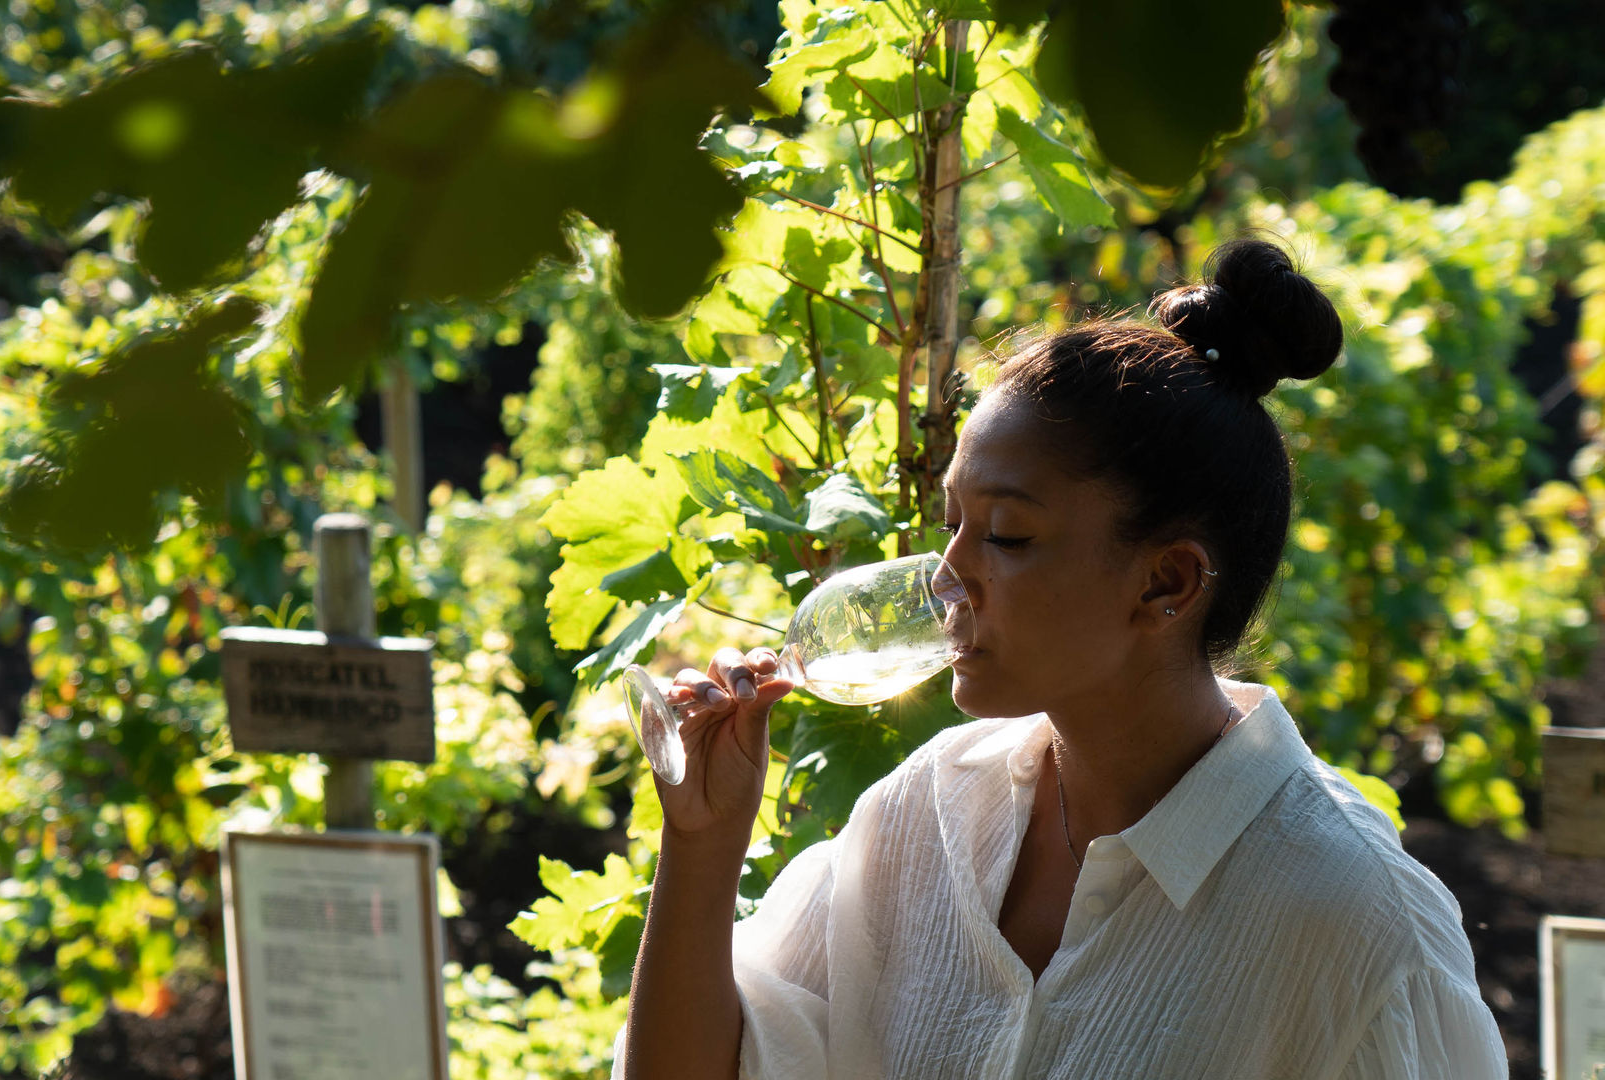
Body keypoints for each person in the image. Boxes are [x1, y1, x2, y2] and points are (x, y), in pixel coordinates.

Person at [615, 239, 1508, 1079]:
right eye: (953, 522)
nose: (949, 573)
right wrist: (701, 847)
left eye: (1006, 534)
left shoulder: (1360, 929)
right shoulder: (921, 816)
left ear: (1167, 581)